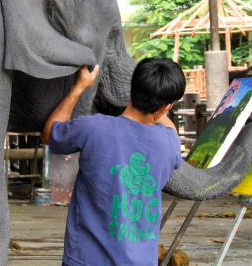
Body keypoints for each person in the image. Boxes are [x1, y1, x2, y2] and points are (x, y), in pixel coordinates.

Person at [41, 57, 186, 266]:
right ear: (166, 107)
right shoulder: (169, 142)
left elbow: (49, 134)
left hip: (86, 260)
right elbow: (167, 125)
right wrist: (160, 106)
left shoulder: (93, 127)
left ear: (132, 89)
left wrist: (78, 87)